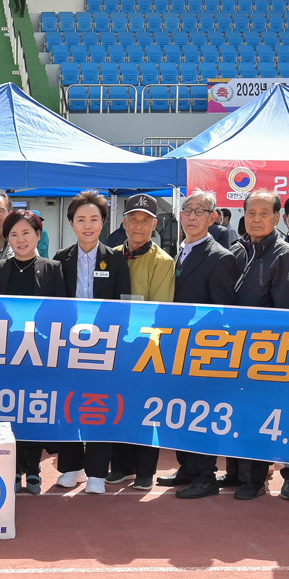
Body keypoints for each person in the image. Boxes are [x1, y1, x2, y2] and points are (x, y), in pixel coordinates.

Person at [161, 190, 239, 499]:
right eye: (187, 210)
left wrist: (197, 335)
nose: (192, 216)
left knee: (200, 412)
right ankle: (187, 468)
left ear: (213, 218)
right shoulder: (179, 251)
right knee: (180, 409)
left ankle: (206, 475)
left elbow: (222, 311)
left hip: (202, 350)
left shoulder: (221, 257)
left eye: (200, 211)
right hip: (175, 346)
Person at [227, 188, 289, 499]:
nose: (256, 219)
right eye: (251, 213)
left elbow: (284, 309)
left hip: (264, 346)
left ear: (277, 217)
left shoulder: (285, 254)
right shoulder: (237, 249)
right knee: (235, 409)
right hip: (232, 344)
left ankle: (255, 479)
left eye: (264, 213)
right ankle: (234, 473)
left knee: (256, 412)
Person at [53, 191, 131, 494]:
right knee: (69, 403)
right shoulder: (60, 259)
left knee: (99, 404)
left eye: (94, 219)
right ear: (72, 223)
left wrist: (113, 341)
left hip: (104, 345)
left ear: (103, 223)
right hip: (68, 344)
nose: (87, 226)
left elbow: (124, 304)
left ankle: (97, 471)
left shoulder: (115, 259)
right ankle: (71, 466)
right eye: (81, 219)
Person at [0, 209, 64, 494]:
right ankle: (12, 470)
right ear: (7, 239)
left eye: (26, 233)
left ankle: (33, 471)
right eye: (14, 235)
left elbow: (60, 313)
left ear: (38, 235)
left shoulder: (53, 268)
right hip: (6, 353)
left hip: (40, 352)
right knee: (9, 411)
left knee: (34, 410)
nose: (21, 240)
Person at [109, 194, 174, 491]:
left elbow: (160, 308)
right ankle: (121, 466)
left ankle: (145, 469)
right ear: (123, 223)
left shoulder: (162, 261)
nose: (138, 225)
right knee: (118, 405)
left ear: (154, 225)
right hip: (114, 344)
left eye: (145, 221)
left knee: (146, 407)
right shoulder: (110, 254)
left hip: (146, 345)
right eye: (133, 219)